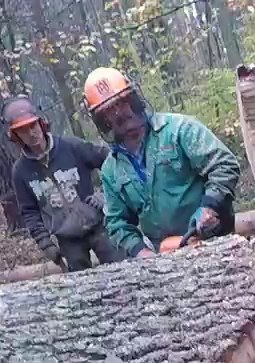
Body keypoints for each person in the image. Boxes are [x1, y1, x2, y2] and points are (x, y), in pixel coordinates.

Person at [82, 67, 241, 259]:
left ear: (133, 98)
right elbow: (117, 223)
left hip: (214, 238)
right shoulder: (111, 169)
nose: (117, 113)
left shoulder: (177, 130)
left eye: (121, 103)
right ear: (101, 119)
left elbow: (224, 164)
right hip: (167, 254)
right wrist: (141, 252)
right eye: (108, 110)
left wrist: (210, 205)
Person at [2, 95, 126, 272]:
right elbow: (29, 211)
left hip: (98, 223)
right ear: (15, 135)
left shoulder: (71, 146)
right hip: (66, 236)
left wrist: (105, 196)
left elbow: (110, 161)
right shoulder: (20, 171)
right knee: (81, 284)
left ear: (41, 124)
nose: (31, 133)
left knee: (121, 269)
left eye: (32, 126)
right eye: (23, 130)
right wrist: (45, 243)